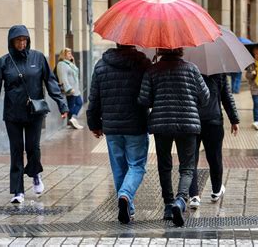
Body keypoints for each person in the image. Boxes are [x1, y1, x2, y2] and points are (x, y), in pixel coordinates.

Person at [0, 25, 69, 203]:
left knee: (33, 148)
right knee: (16, 151)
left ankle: (35, 173)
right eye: (18, 40)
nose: (22, 43)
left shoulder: (38, 58)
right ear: (11, 42)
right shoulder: (4, 62)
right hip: (12, 114)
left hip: (34, 113)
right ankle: (18, 191)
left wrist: (62, 105)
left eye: (24, 40)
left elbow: (50, 81)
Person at [138, 48, 210, 227]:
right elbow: (205, 97)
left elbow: (143, 100)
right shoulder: (192, 69)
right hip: (188, 123)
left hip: (162, 124)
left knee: (164, 166)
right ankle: (180, 200)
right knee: (187, 166)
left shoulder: (153, 70)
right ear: (181, 50)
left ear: (161, 50)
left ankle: (168, 205)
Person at [87, 44, 152, 224]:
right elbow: (149, 94)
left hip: (112, 127)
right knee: (137, 165)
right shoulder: (142, 64)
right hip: (136, 125)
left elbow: (94, 99)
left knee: (119, 168)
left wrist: (94, 124)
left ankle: (127, 207)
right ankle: (125, 195)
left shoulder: (101, 65)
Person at [188, 73, 240, 209]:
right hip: (214, 121)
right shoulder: (219, 72)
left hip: (192, 121)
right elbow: (227, 97)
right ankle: (216, 190)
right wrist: (234, 119)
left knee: (191, 158)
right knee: (215, 157)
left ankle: (193, 196)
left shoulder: (189, 69)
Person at [56, 48, 84, 129]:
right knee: (73, 105)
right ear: (64, 55)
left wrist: (73, 61)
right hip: (70, 89)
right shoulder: (61, 64)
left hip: (75, 88)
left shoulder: (69, 63)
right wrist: (68, 88)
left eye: (70, 53)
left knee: (79, 102)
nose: (70, 54)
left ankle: (72, 119)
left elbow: (75, 71)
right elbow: (63, 78)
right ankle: (72, 120)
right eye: (68, 53)